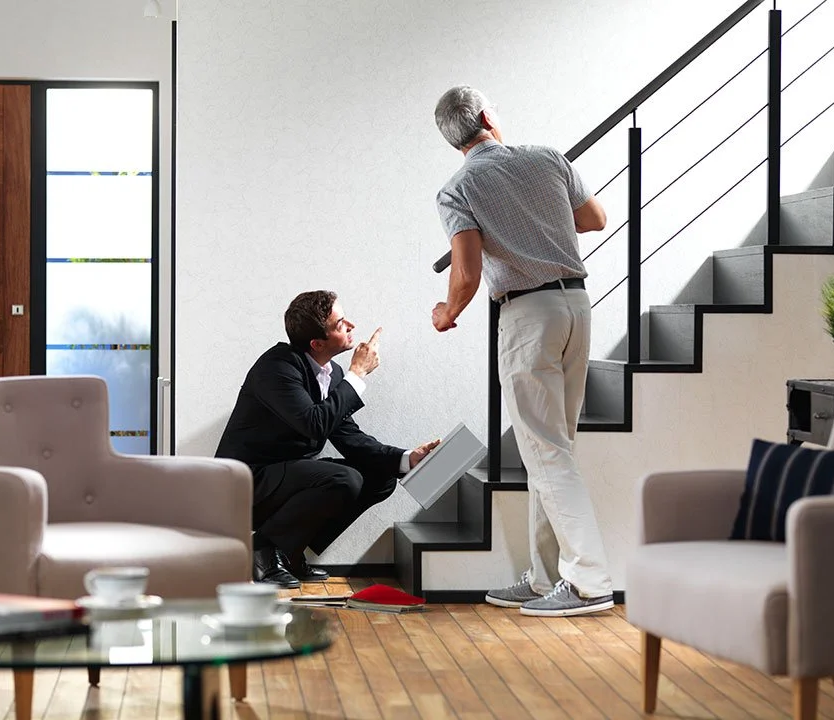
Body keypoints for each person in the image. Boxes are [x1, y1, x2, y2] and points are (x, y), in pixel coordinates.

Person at [430, 85, 614, 617]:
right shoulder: (547, 158)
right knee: (552, 448)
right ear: (487, 116)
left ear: (453, 141)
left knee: (547, 451)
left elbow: (464, 274)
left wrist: (447, 314)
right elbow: (594, 218)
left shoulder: (458, 188)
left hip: (527, 317)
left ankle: (588, 583)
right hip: (576, 306)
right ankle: (544, 578)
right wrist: (538, 215)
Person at [215, 290, 440, 588]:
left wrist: (406, 458)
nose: (352, 326)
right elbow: (315, 424)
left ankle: (290, 549)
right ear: (317, 343)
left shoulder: (330, 374)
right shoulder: (276, 368)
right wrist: (357, 374)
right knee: (343, 479)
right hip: (246, 484)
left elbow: (349, 437)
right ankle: (264, 551)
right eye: (340, 323)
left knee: (381, 477)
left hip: (287, 479)